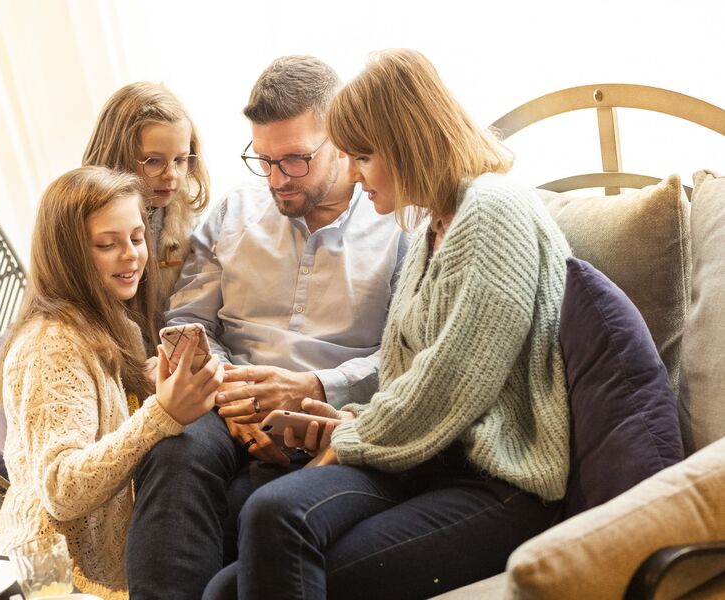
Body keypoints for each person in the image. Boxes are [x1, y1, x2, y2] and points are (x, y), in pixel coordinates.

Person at [203, 48, 573, 600]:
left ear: (407, 146)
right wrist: (344, 417)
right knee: (224, 587)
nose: (353, 175)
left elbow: (452, 383)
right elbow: (409, 377)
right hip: (429, 462)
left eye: (364, 157)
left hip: (497, 484)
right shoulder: (432, 230)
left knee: (276, 513)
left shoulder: (495, 211)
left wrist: (350, 436)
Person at [124, 56, 408, 600]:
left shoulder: (396, 220)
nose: (278, 179)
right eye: (265, 159)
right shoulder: (233, 209)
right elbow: (188, 320)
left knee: (264, 501)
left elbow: (408, 353)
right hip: (226, 402)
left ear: (341, 140)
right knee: (173, 447)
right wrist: (225, 385)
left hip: (330, 409)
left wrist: (319, 388)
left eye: (296, 160)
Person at [0, 166, 224, 599]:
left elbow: (111, 432)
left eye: (137, 238)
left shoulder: (117, 327)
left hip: (106, 571)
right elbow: (62, 488)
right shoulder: (51, 344)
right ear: (68, 254)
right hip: (60, 580)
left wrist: (153, 388)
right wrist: (161, 414)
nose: (132, 255)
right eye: (107, 244)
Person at [83, 82, 211, 304]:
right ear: (117, 156)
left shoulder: (186, 217)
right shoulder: (86, 219)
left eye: (180, 160)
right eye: (153, 161)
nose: (171, 175)